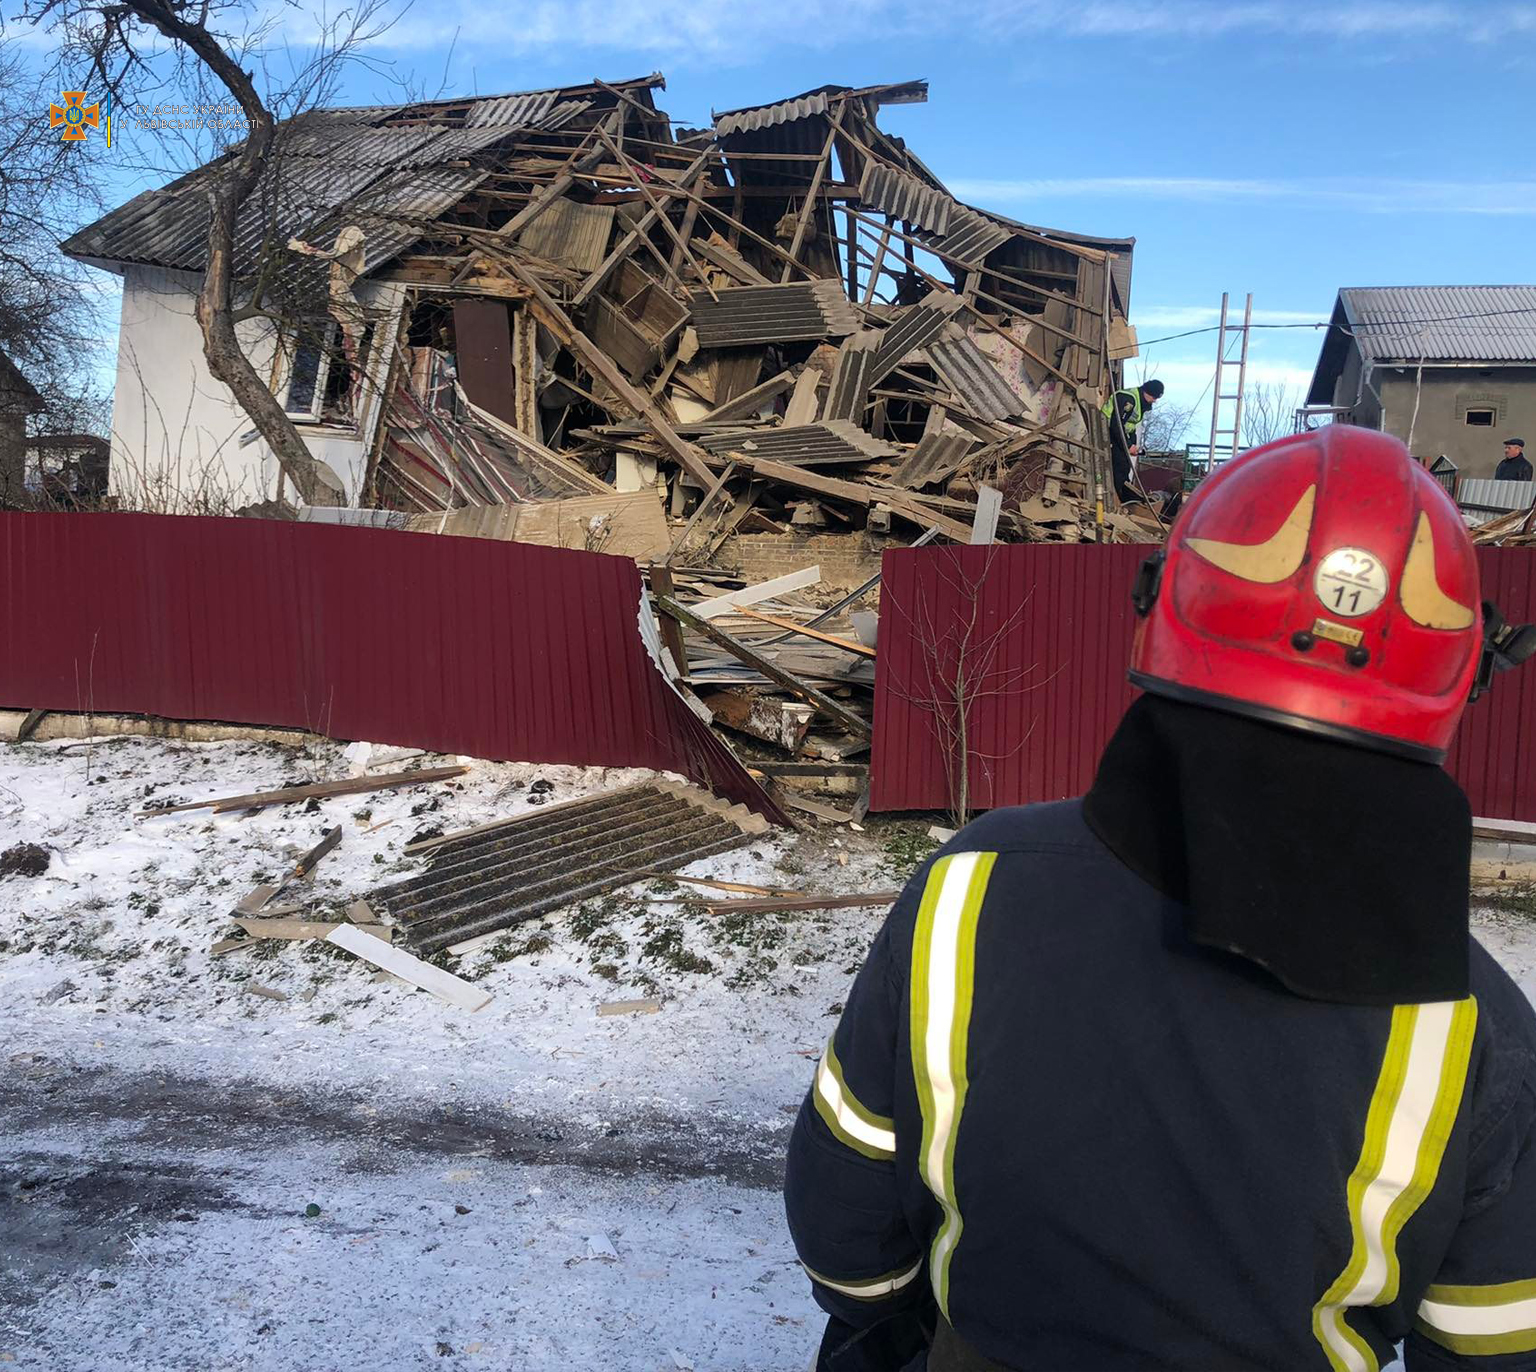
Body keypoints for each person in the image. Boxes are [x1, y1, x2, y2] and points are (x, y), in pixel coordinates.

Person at [784, 426, 1536, 1372]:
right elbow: (1495, 1339)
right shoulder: (1475, 1023)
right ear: (1460, 675)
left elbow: (846, 1208)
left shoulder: (970, 885)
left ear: (1164, 601)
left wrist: (888, 1327)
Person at [1101, 378, 1164, 504]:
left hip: (1119, 434)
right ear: (1147, 392)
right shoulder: (1128, 399)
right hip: (1106, 431)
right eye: (1154, 397)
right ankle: (1121, 498)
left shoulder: (1140, 403)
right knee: (1119, 465)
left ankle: (1125, 496)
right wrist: (1128, 446)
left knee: (1124, 466)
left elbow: (1130, 427)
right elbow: (1116, 424)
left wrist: (1133, 444)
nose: (1154, 401)